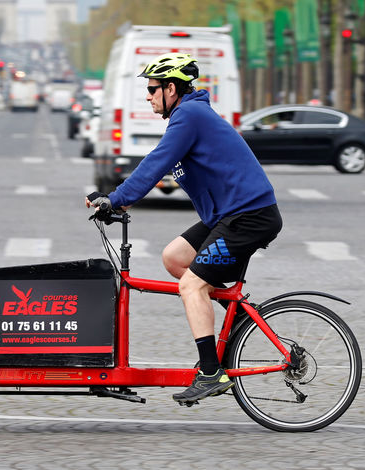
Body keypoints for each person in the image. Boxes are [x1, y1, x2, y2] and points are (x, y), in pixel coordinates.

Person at [85, 53, 282, 404]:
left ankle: (211, 373)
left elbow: (156, 162)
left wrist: (115, 198)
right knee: (175, 258)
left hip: (248, 216)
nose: (148, 96)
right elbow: (157, 168)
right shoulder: (189, 114)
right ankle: (236, 321)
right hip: (226, 215)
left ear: (171, 89)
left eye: (152, 89)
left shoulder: (188, 116)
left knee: (192, 284)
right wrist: (121, 201)